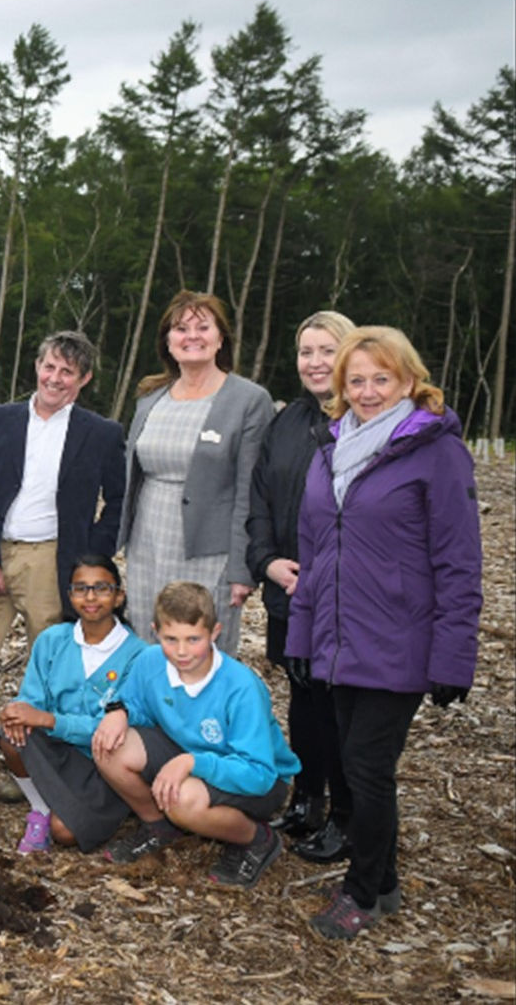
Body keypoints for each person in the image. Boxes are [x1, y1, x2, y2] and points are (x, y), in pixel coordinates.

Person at [286, 326, 482, 940]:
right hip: (337, 638)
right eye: (356, 380)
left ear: (408, 380)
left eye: (382, 379)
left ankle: (361, 892)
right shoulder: (331, 448)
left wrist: (454, 657)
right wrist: (300, 635)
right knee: (353, 764)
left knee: (368, 769)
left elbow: (459, 560)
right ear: (341, 387)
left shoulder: (434, 451)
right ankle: (388, 881)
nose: (368, 392)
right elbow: (315, 551)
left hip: (400, 638)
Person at [0, 330, 126, 795]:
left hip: (53, 559)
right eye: (49, 366)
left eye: (67, 372)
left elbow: (118, 501)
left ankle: (35, 778)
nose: (55, 378)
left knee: (51, 670)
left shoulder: (102, 434)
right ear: (37, 366)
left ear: (83, 379)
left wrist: (91, 558)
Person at [93, 581, 299, 889]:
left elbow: (260, 774)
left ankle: (257, 839)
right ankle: (158, 826)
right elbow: (135, 703)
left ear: (215, 632)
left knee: (182, 799)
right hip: (187, 755)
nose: (182, 651)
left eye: (193, 639)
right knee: (108, 745)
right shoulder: (150, 662)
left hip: (254, 778)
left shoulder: (241, 687)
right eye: (170, 639)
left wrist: (191, 763)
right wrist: (118, 711)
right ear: (155, 631)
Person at [244, 310, 357, 863]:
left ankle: (347, 815)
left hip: (343, 595)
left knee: (341, 705)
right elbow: (261, 497)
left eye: (327, 350)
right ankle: (309, 798)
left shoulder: (364, 421)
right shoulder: (286, 422)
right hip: (288, 587)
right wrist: (266, 561)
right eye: (306, 351)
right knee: (303, 697)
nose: (315, 362)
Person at [120, 292, 274, 652]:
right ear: (168, 342)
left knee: (200, 648)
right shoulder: (150, 398)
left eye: (203, 327)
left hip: (209, 551)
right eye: (181, 328)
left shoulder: (249, 401)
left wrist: (242, 569)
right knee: (150, 641)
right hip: (147, 542)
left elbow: (250, 491)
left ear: (220, 339)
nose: (192, 336)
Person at [0, 555, 149, 854]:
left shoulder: (139, 655)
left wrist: (51, 720)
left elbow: (116, 729)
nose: (90, 597)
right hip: (56, 752)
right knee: (12, 737)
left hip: (104, 763)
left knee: (65, 834)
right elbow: (32, 697)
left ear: (119, 596)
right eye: (81, 589)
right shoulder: (52, 640)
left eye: (102, 588)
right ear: (70, 596)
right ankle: (39, 809)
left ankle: (108, 810)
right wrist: (18, 711)